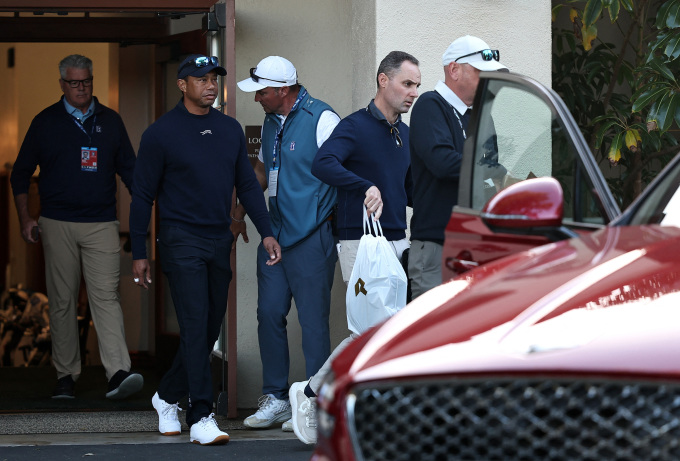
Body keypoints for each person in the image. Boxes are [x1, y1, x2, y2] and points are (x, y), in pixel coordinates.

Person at [129, 54, 282, 446]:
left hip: (218, 238)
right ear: (182, 85)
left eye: (214, 78)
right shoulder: (160, 133)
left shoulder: (229, 130)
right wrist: (139, 251)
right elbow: (142, 196)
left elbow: (247, 185)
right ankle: (200, 414)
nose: (210, 84)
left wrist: (265, 231)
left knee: (208, 328)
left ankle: (165, 397)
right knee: (196, 325)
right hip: (180, 239)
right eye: (200, 78)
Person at [288, 50, 421, 445]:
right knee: (369, 330)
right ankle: (311, 391)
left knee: (392, 332)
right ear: (384, 80)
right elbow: (323, 164)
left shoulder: (404, 133)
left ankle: (370, 412)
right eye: (407, 83)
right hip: (360, 241)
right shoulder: (355, 126)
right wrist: (364, 185)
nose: (413, 92)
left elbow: (411, 189)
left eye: (417, 85)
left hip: (399, 239)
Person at [10, 54, 143, 400]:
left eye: (86, 81)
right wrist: (26, 217)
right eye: (74, 82)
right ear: (62, 85)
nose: (81, 88)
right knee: (62, 302)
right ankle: (66, 376)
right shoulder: (45, 122)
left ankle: (118, 373)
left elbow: (131, 173)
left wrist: (150, 212)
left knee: (106, 298)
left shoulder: (110, 121)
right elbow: (20, 172)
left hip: (101, 223)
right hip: (56, 223)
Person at [234, 56, 340, 431]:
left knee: (312, 322)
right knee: (268, 315)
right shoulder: (270, 119)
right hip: (275, 236)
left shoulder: (322, 118)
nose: (256, 97)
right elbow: (263, 171)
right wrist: (239, 211)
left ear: (282, 89)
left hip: (312, 235)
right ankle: (276, 398)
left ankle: (314, 403)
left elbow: (345, 171)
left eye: (261, 91)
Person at [408, 35, 507, 300]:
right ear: (454, 69)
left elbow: (491, 171)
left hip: (476, 246)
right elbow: (444, 164)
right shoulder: (430, 105)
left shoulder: (481, 117)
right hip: (436, 247)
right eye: (480, 73)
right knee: (434, 336)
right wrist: (496, 173)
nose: (488, 82)